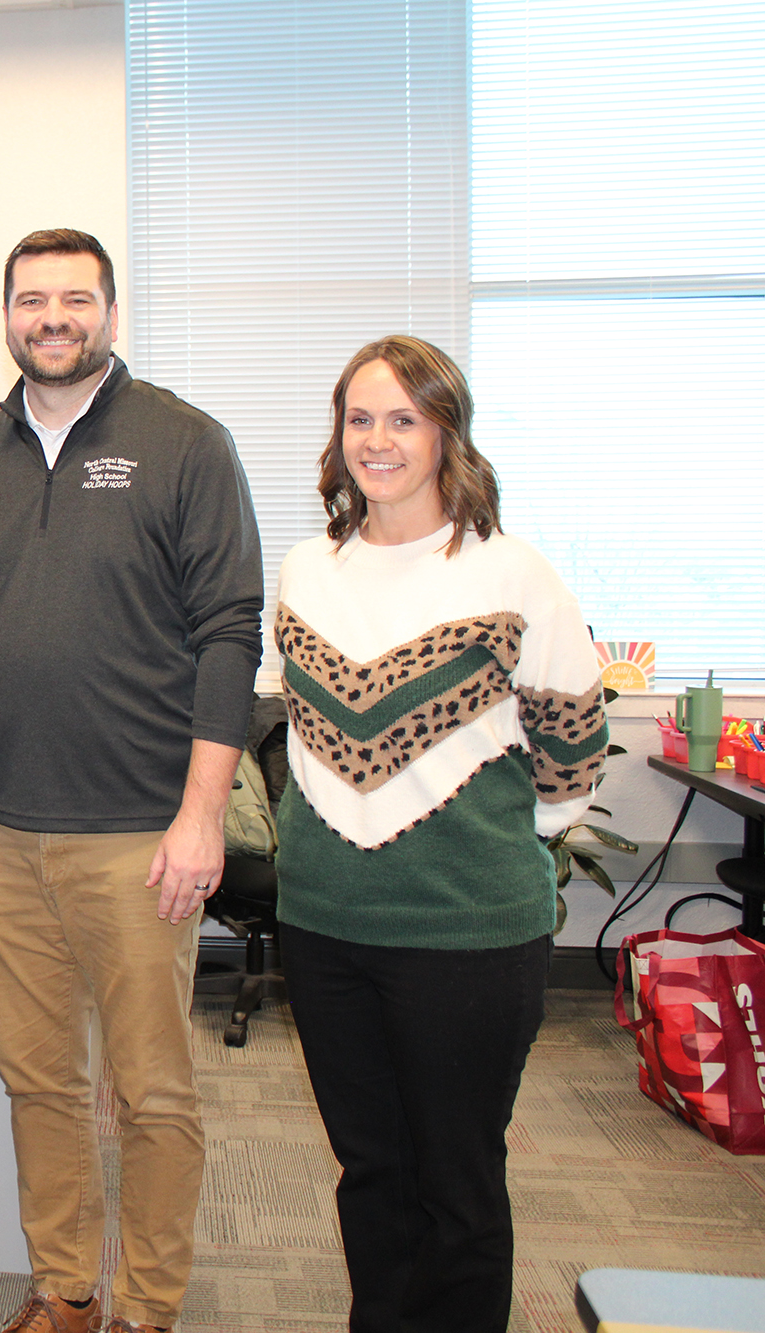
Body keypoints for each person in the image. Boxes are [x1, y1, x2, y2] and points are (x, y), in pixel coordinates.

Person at [0, 229, 263, 1333]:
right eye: (31, 300)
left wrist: (200, 814)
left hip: (138, 831)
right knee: (37, 1079)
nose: (51, 317)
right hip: (6, 830)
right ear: (7, 316)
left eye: (74, 298)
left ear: (109, 314)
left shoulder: (182, 443)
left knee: (151, 1091)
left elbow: (226, 633)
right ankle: (64, 1287)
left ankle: (147, 1308)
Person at [273, 336, 607, 1333]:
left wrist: (494, 835)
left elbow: (571, 749)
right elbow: (293, 727)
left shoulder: (510, 575)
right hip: (326, 926)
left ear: (444, 433)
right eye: (359, 419)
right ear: (337, 438)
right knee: (369, 1170)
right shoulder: (304, 568)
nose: (377, 441)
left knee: (456, 1182)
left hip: (466, 931)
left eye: (403, 419)